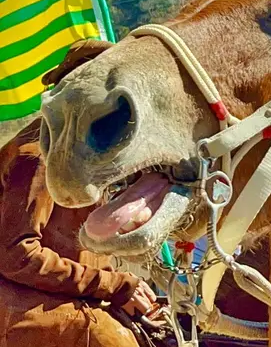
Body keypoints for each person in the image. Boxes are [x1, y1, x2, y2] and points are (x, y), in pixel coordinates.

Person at [0, 40, 160, 345]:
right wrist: (113, 286)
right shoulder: (37, 157)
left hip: (67, 297)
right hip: (22, 310)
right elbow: (17, 256)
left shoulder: (87, 153)